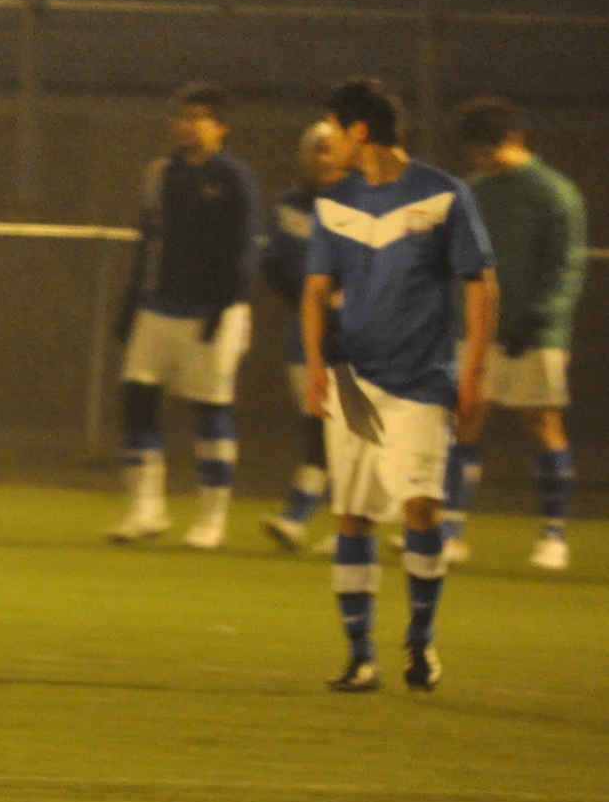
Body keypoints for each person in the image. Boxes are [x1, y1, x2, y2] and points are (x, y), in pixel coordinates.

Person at [302, 78, 496, 693]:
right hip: (353, 383)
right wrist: (316, 366)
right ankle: (361, 656)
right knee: (353, 515)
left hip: (420, 379)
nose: (328, 142)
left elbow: (481, 284)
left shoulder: (442, 194)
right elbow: (315, 292)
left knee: (421, 508)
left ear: (359, 131)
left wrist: (474, 373)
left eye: (334, 129)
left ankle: (420, 638)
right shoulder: (333, 203)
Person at [107, 84, 265, 550]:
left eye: (198, 117)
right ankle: (146, 509)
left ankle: (212, 519)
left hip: (212, 312)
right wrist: (130, 306)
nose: (186, 125)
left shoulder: (234, 178)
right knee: (137, 399)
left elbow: (245, 248)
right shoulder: (161, 174)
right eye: (182, 116)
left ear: (221, 127)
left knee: (209, 408)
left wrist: (224, 305)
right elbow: (149, 243)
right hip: (158, 307)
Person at [438, 98, 586, 571]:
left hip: (536, 335)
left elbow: (566, 267)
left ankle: (553, 535)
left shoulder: (553, 192)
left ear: (515, 140)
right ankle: (451, 532)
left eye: (489, 151)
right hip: (480, 330)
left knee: (541, 425)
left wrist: (539, 320)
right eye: (475, 153)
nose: (481, 160)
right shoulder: (474, 191)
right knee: (463, 419)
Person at [262, 120, 350, 551]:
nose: (323, 157)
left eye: (331, 149)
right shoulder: (290, 205)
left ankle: (303, 517)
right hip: (306, 335)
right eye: (317, 149)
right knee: (320, 426)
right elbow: (274, 264)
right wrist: (306, 301)